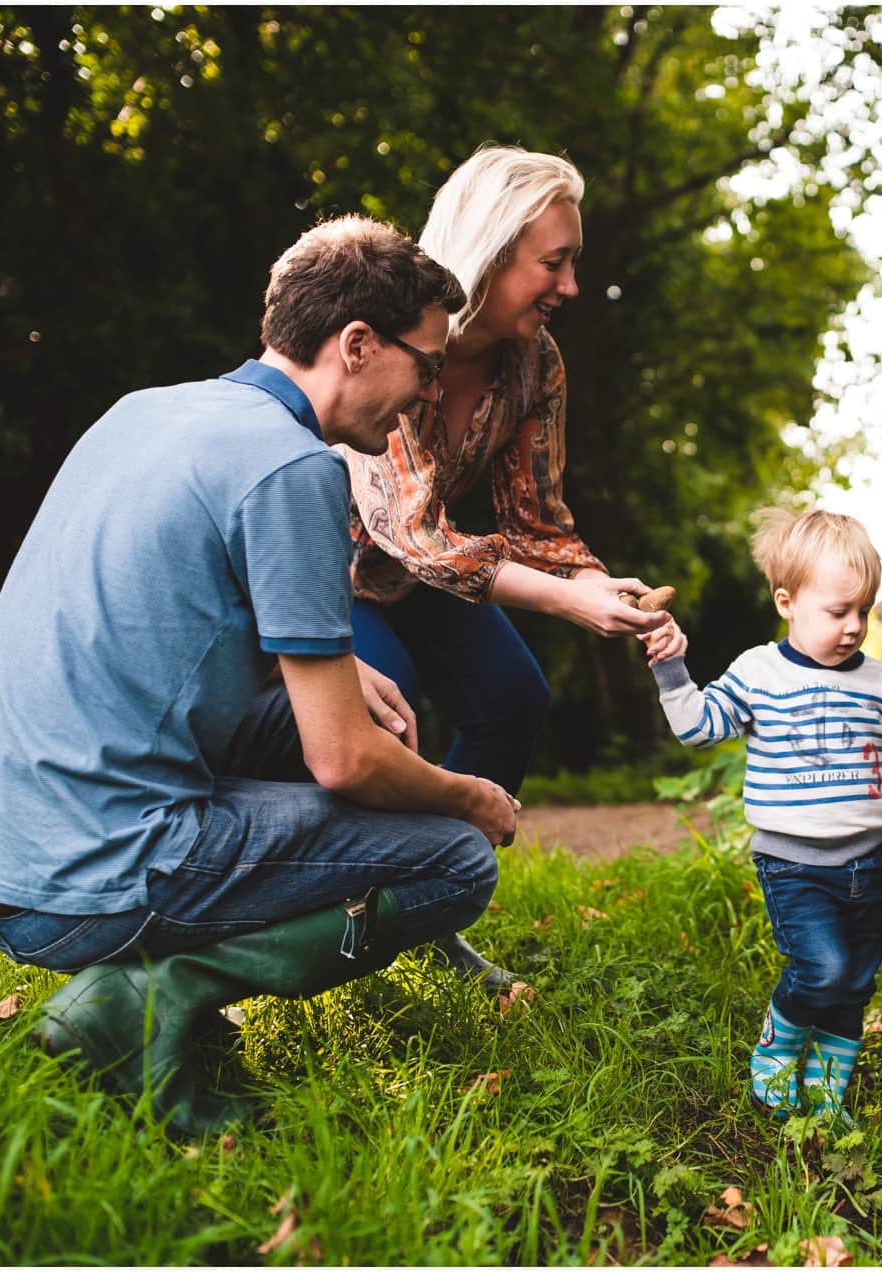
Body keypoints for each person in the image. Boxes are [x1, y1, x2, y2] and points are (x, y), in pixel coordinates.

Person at [0, 215, 518, 1135]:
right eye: (426, 365)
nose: (425, 395)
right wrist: (466, 797)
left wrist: (342, 663)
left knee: (381, 725)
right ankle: (148, 1000)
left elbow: (162, 607)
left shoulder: (149, 410)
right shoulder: (292, 467)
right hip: (80, 888)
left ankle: (157, 984)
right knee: (451, 858)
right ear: (356, 345)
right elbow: (344, 765)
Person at [340, 145, 669, 986]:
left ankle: (431, 907)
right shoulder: (401, 341)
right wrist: (565, 606)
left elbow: (537, 520)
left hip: (424, 574)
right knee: (389, 721)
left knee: (513, 698)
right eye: (553, 263)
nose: (570, 286)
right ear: (490, 250)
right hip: (332, 572)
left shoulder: (535, 363)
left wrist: (597, 587)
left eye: (572, 263)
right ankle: (339, 920)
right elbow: (410, 532)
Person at [640, 509, 882, 1122]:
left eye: (863, 612)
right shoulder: (759, 671)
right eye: (836, 612)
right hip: (793, 866)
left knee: (856, 984)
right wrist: (671, 669)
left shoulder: (878, 681)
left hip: (870, 866)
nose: (852, 628)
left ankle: (825, 1095)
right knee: (824, 968)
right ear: (787, 601)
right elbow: (698, 727)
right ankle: (775, 1053)